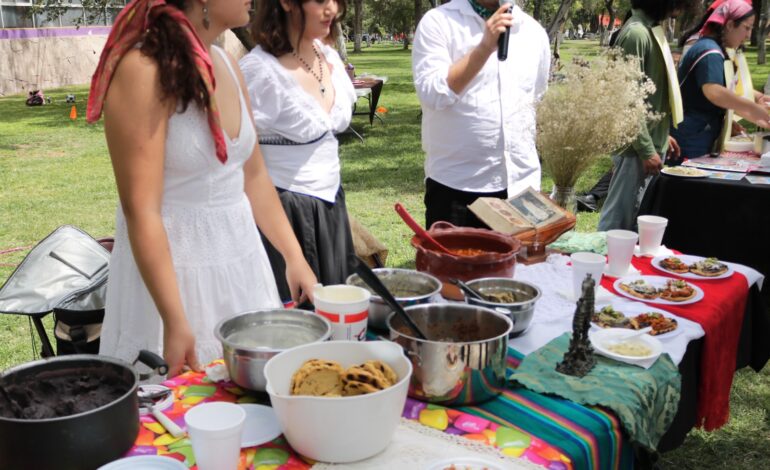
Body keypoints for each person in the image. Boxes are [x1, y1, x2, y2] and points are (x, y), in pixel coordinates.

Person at [87, 0, 318, 377]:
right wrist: (175, 321)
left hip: (242, 267)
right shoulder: (143, 69)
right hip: (173, 285)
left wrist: (294, 257)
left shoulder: (228, 64)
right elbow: (140, 210)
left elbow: (253, 176)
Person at [239, 0, 356, 302]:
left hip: (331, 210)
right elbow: (239, 163)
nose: (332, 9)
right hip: (282, 214)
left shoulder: (326, 56)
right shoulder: (259, 71)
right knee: (297, 328)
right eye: (320, 1)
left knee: (336, 317)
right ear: (288, 3)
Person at [413, 0, 550, 228]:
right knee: (453, 264)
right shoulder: (438, 22)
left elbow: (535, 98)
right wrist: (485, 47)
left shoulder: (533, 32)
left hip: (520, 186)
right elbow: (432, 94)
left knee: (521, 265)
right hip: (458, 186)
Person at [597, 0, 696, 232]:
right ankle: (602, 265)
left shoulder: (648, 29)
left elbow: (652, 96)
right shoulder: (636, 34)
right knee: (618, 220)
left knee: (635, 219)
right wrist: (646, 148)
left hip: (647, 142)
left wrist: (661, 134)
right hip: (635, 149)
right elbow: (628, 99)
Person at [671, 0, 770, 161]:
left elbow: (728, 87)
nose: (748, 35)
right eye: (747, 28)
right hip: (689, 138)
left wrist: (757, 98)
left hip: (698, 135)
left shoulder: (713, 48)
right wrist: (753, 110)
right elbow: (714, 91)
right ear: (730, 25)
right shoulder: (709, 52)